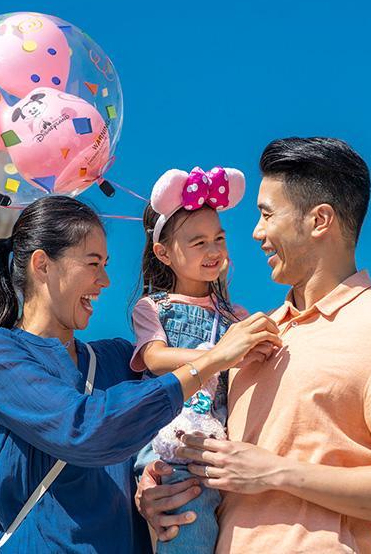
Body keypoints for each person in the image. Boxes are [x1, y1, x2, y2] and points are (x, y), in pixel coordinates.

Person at [137, 137, 371, 553]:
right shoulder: (252, 334)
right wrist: (155, 488)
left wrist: (276, 473)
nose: (255, 233)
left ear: (319, 219)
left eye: (267, 215)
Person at [0, 195, 280, 553]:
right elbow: (84, 429)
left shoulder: (120, 359)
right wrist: (212, 359)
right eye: (93, 263)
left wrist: (150, 486)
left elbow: (151, 441)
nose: (105, 280)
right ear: (43, 265)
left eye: (105, 264)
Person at [131, 165, 252, 554]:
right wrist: (219, 355)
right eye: (198, 243)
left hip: (223, 447)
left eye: (219, 238)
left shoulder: (238, 317)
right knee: (190, 530)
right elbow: (153, 357)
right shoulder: (154, 307)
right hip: (176, 445)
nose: (214, 250)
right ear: (163, 253)